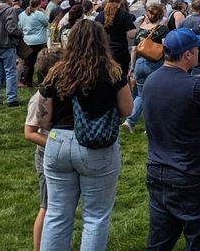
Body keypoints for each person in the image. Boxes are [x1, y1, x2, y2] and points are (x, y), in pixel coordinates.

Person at [38, 20, 133, 251]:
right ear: (103, 42)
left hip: (58, 142)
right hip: (97, 147)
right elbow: (127, 109)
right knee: (95, 217)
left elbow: (42, 118)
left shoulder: (55, 72)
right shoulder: (112, 72)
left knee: (57, 214)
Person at [143, 27, 200, 250]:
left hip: (157, 170)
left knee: (159, 241)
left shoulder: (150, 81)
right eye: (197, 47)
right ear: (188, 54)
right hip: (191, 174)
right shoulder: (197, 87)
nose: (199, 51)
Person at [24, 49, 62, 251]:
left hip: (58, 153)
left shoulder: (58, 92)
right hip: (46, 155)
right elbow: (29, 133)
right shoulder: (39, 98)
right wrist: (55, 143)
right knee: (47, 206)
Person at [124, 2, 168, 133]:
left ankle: (130, 121)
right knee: (155, 95)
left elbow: (134, 49)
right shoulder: (163, 29)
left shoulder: (141, 29)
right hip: (154, 64)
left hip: (139, 63)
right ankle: (151, 125)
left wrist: (132, 67)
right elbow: (166, 48)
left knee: (140, 95)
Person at [98, 0, 136, 78]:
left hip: (104, 53)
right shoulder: (124, 15)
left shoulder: (99, 16)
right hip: (120, 54)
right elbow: (131, 35)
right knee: (120, 81)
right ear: (121, 0)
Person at [19, 0, 51, 87]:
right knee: (42, 62)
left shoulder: (22, 14)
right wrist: (44, 11)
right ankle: (41, 82)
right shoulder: (39, 14)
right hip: (40, 41)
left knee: (28, 63)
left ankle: (28, 83)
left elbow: (20, 26)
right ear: (39, 4)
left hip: (27, 41)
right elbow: (47, 23)